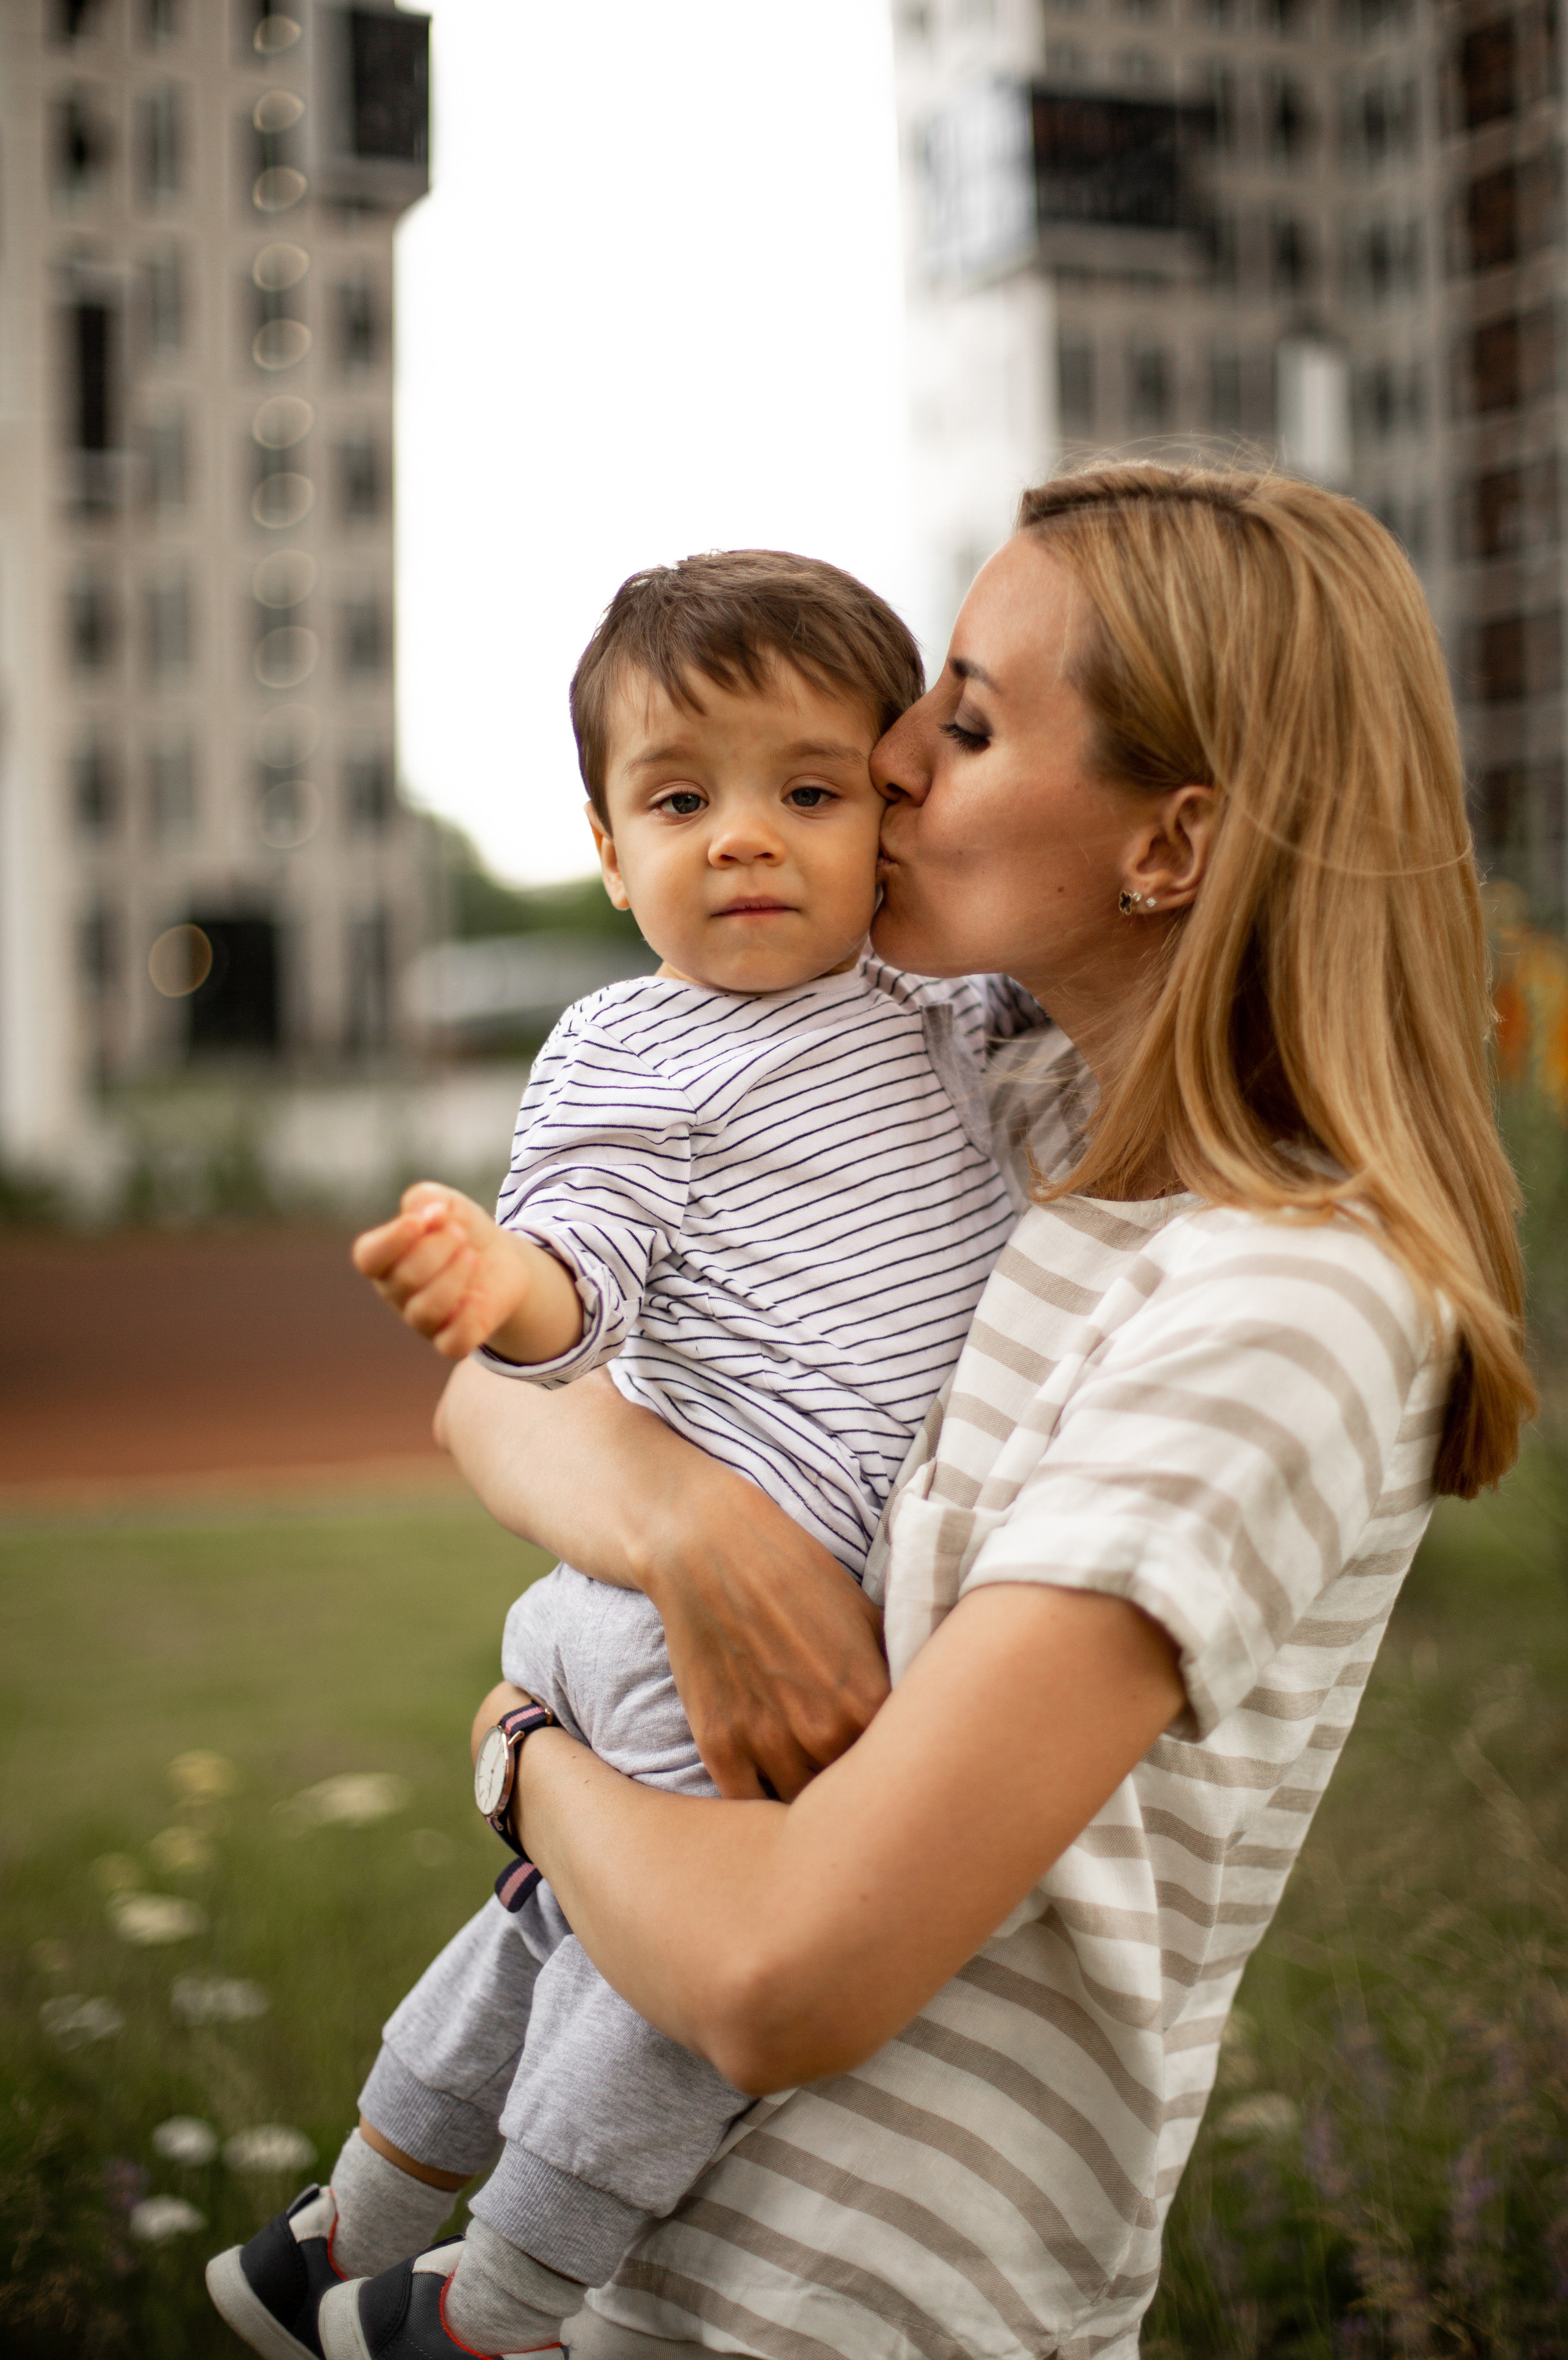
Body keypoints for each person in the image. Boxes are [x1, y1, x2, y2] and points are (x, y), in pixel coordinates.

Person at [248, 460, 1537, 2360]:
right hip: (673, 2280)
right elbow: (494, 1400)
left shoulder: (1290, 1303)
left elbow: (781, 1983)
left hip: (873, 2309)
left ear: (1171, 845)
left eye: (975, 714)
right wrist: (698, 1529)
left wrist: (528, 1758)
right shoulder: (1022, 1125)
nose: (897, 758)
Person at [207, 550, 1050, 2360]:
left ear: (889, 820)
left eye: (808, 793)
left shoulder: (949, 1013)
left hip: (643, 1604)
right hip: (713, 1610)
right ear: (609, 852)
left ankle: (342, 2223)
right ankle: (498, 2303)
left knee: (562, 1922)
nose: (745, 838)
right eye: (683, 800)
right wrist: (494, 1278)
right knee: (689, 1964)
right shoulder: (630, 1045)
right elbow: (578, 1280)